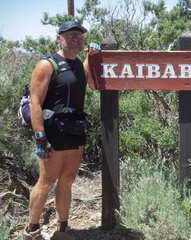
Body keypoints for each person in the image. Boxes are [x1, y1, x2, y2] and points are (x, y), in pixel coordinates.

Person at [23, 21, 99, 240]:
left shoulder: (76, 64)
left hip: (75, 129)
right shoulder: (47, 65)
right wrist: (40, 136)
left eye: (79, 36)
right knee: (47, 181)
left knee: (67, 180)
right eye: (70, 35)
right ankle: (32, 229)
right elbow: (35, 102)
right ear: (59, 38)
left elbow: (83, 73)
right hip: (53, 131)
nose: (76, 39)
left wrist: (92, 54)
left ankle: (63, 229)